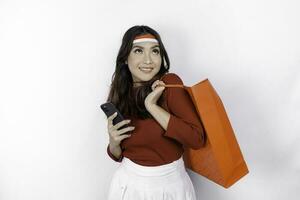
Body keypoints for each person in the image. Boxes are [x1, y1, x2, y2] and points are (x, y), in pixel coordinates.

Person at [105, 25, 206, 200]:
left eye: (155, 51)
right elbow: (119, 155)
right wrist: (113, 143)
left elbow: (196, 139)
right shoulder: (120, 92)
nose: (148, 60)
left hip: (170, 188)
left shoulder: (169, 84)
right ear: (125, 59)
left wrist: (152, 106)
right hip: (127, 186)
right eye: (138, 51)